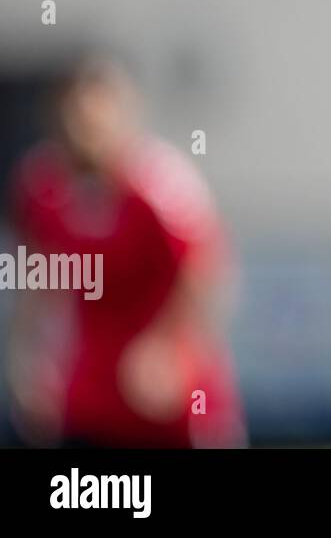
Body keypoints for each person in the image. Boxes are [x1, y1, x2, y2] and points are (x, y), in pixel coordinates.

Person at [6, 53, 246, 447]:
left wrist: (169, 352)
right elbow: (37, 284)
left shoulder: (162, 186)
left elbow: (208, 275)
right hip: (89, 399)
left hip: (170, 404)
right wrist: (30, 364)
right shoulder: (41, 190)